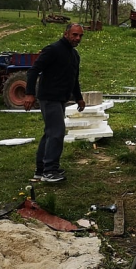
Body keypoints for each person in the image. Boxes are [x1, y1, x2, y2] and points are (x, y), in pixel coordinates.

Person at [23, 23, 86, 183]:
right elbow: (33, 71)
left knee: (50, 132)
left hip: (60, 99)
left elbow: (74, 79)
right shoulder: (53, 49)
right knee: (57, 132)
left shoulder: (74, 55)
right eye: (74, 35)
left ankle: (41, 169)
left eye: (80, 36)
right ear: (66, 34)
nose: (77, 38)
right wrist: (30, 93)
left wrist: (78, 97)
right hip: (48, 97)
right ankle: (49, 171)